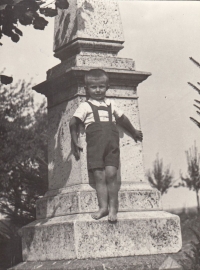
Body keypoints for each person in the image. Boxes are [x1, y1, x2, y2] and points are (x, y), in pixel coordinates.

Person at [69, 69, 143, 222]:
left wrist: (134, 131)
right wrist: (74, 140)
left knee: (111, 175)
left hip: (111, 146)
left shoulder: (111, 105)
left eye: (101, 86)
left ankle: (114, 208)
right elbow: (73, 122)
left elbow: (122, 119)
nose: (97, 90)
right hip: (95, 147)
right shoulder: (85, 106)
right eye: (93, 87)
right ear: (86, 89)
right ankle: (103, 207)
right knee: (99, 177)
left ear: (107, 87)